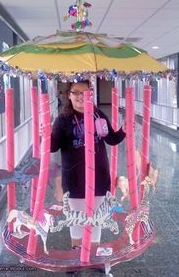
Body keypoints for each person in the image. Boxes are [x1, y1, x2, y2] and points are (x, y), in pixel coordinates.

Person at [51, 80, 126, 248]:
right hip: (74, 178)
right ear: (69, 95)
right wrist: (45, 136)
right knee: (76, 221)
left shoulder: (97, 115)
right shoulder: (63, 120)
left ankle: (93, 258)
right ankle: (76, 258)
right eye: (76, 92)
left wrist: (124, 129)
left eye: (84, 93)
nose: (80, 97)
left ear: (90, 94)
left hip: (99, 175)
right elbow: (53, 147)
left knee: (96, 219)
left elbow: (112, 139)